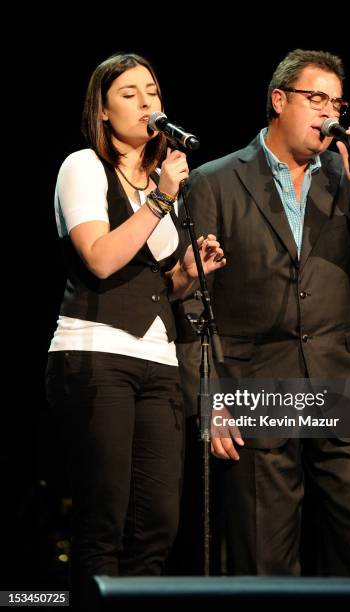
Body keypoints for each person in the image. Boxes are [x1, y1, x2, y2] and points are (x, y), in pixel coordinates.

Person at [178, 49, 350, 610]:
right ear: (279, 101)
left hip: (342, 382)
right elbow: (191, 301)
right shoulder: (215, 181)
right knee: (264, 563)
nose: (329, 114)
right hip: (258, 384)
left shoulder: (345, 179)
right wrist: (209, 396)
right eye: (316, 99)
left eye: (336, 102)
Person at [45, 52, 225, 604]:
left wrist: (189, 275)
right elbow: (100, 259)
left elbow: (155, 285)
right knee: (104, 518)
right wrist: (161, 198)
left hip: (158, 362)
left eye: (152, 91)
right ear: (102, 110)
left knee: (158, 523)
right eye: (130, 93)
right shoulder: (84, 167)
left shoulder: (156, 183)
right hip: (95, 356)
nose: (148, 102)